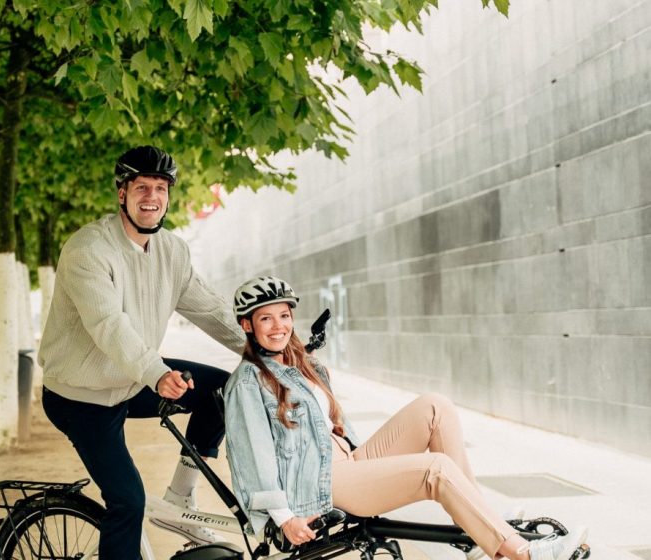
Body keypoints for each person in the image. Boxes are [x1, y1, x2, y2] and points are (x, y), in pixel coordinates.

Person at [223, 276, 589, 560]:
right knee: (436, 469)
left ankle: (481, 532)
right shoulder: (248, 382)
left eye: (283, 316)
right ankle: (523, 553)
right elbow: (253, 456)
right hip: (319, 485)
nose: (278, 326)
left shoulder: (303, 364)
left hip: (346, 460)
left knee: (435, 406)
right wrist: (284, 518)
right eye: (265, 319)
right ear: (247, 325)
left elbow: (330, 426)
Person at [38, 146, 246, 560]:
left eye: (160, 188)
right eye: (141, 187)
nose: (151, 196)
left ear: (168, 196)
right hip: (81, 397)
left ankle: (178, 501)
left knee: (223, 391)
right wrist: (156, 371)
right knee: (127, 502)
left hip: (132, 381)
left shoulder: (172, 251)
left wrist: (268, 351)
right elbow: (108, 325)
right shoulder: (87, 250)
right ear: (122, 194)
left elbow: (210, 309)